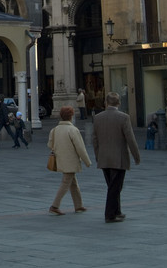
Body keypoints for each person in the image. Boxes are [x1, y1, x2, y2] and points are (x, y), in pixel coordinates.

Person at [92, 91, 140, 223]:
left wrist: (97, 155)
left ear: (106, 103)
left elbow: (94, 140)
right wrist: (136, 156)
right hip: (119, 157)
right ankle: (110, 214)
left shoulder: (98, 117)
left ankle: (117, 210)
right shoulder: (123, 117)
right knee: (115, 186)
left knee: (112, 185)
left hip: (104, 157)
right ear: (118, 103)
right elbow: (130, 138)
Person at [47, 105, 91, 215]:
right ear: (71, 116)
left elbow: (50, 144)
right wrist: (87, 161)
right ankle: (55, 206)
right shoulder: (72, 130)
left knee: (73, 183)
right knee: (66, 182)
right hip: (71, 160)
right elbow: (80, 148)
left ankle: (78, 205)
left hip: (60, 159)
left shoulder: (55, 130)